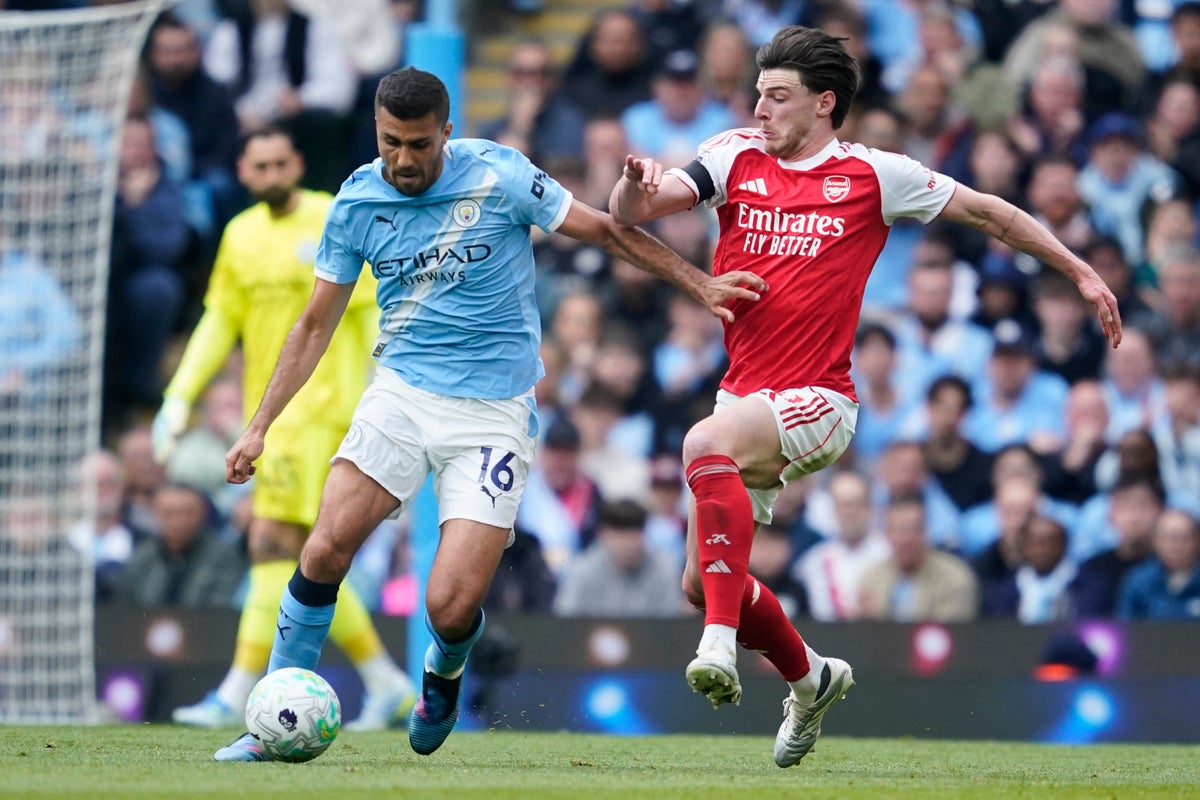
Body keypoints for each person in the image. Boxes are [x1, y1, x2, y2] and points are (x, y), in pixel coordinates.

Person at [608, 25, 1121, 768]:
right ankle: (811, 678)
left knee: (699, 447)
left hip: (821, 399)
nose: (760, 108)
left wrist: (1079, 271)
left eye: (777, 97)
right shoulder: (731, 155)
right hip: (743, 396)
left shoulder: (875, 176)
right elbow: (634, 214)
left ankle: (719, 646)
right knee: (702, 581)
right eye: (757, 93)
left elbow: (990, 213)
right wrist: (632, 183)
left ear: (824, 104)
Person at [216, 66, 764, 762]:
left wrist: (698, 281)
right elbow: (314, 325)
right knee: (323, 548)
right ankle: (270, 720)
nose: (405, 160)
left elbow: (602, 230)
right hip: (403, 394)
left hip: (492, 414)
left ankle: (441, 679)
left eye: (418, 144)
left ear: (446, 131)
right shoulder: (356, 202)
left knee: (448, 605)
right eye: (391, 143)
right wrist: (258, 425)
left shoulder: (500, 175)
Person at [153, 126, 415, 733]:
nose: (271, 175)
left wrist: (386, 387)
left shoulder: (336, 214)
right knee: (296, 552)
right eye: (259, 166)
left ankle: (239, 691)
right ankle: (385, 681)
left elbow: (376, 305)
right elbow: (221, 319)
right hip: (271, 416)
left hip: (328, 410)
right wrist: (178, 395)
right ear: (244, 173)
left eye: (280, 163)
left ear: (297, 163)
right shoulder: (240, 236)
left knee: (274, 542)